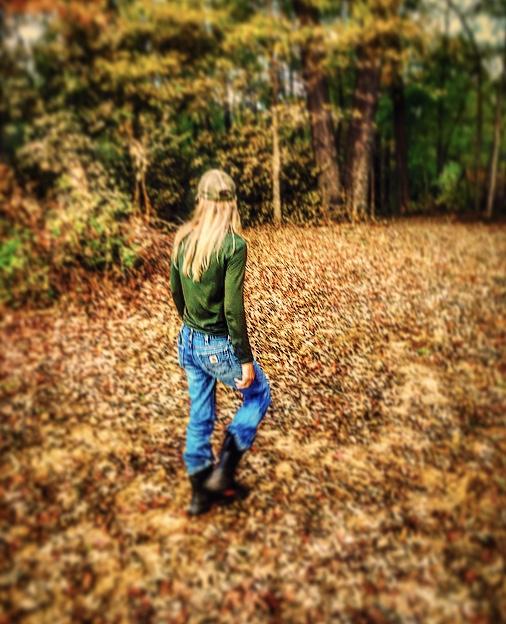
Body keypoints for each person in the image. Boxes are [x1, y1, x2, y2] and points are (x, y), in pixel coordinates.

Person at [170, 168, 272, 516]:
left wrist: (190, 323)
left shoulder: (183, 238)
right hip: (217, 345)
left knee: (201, 412)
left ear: (201, 200)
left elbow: (176, 291)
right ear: (231, 204)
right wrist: (244, 358)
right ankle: (224, 470)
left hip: (188, 340)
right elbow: (232, 307)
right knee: (259, 393)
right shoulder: (233, 245)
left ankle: (200, 492)